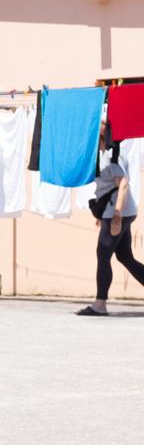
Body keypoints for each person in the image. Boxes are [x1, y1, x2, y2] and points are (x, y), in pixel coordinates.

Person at [81, 128, 144, 316]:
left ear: (99, 138)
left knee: (103, 255)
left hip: (118, 212)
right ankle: (100, 303)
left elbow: (123, 185)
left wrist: (116, 215)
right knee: (125, 257)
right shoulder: (108, 154)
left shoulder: (110, 156)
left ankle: (100, 304)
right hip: (119, 211)